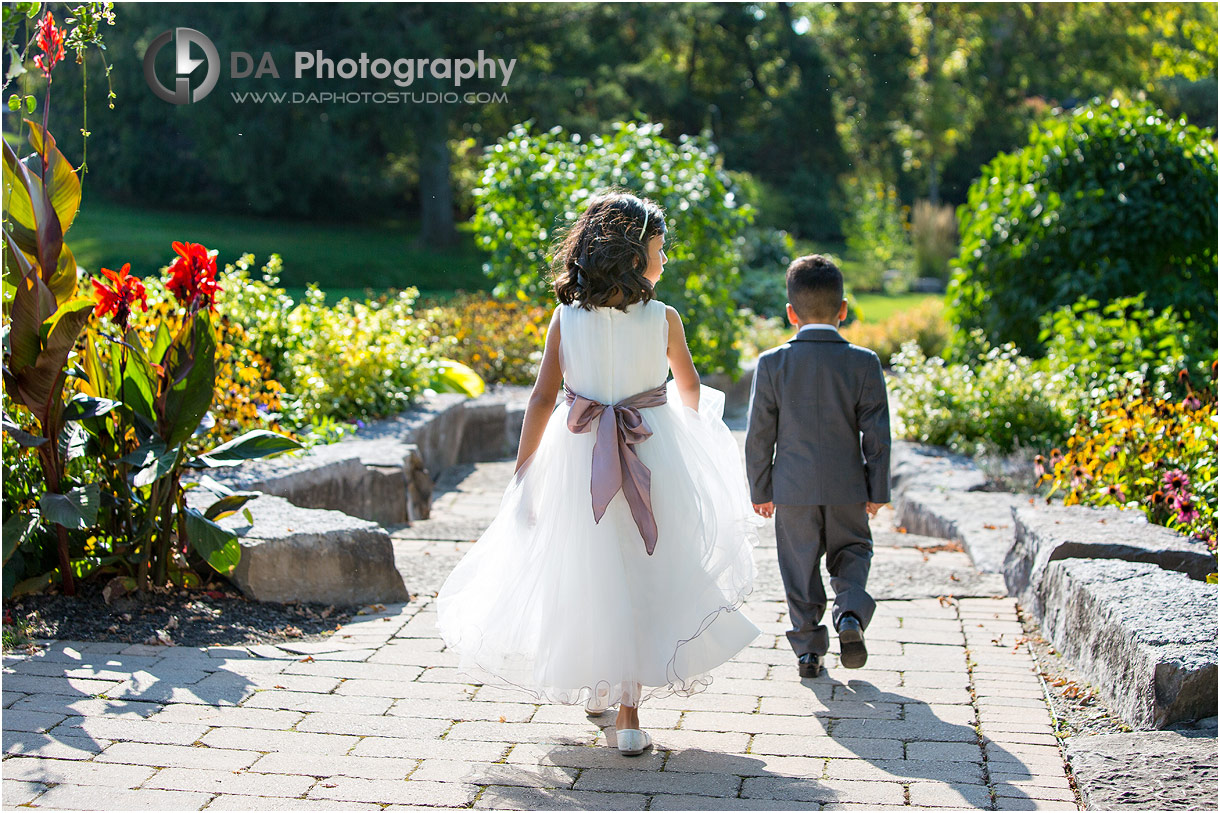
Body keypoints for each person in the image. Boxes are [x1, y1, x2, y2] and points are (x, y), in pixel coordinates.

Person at [435, 190, 762, 756]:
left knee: (586, 569)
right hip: (651, 451)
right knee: (641, 571)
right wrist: (696, 431)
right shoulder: (664, 318)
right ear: (635, 258)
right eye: (660, 251)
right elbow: (688, 388)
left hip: (577, 454)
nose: (665, 262)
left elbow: (541, 400)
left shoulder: (566, 318)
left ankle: (597, 686)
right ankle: (629, 716)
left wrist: (525, 472)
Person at [743, 254, 891, 679]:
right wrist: (877, 490)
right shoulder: (864, 362)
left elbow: (759, 435)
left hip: (792, 489)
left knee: (798, 564)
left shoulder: (772, 364)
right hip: (848, 487)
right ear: (843, 310)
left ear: (791, 313)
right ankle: (849, 614)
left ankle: (809, 651)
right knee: (854, 551)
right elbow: (876, 436)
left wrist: (761, 490)